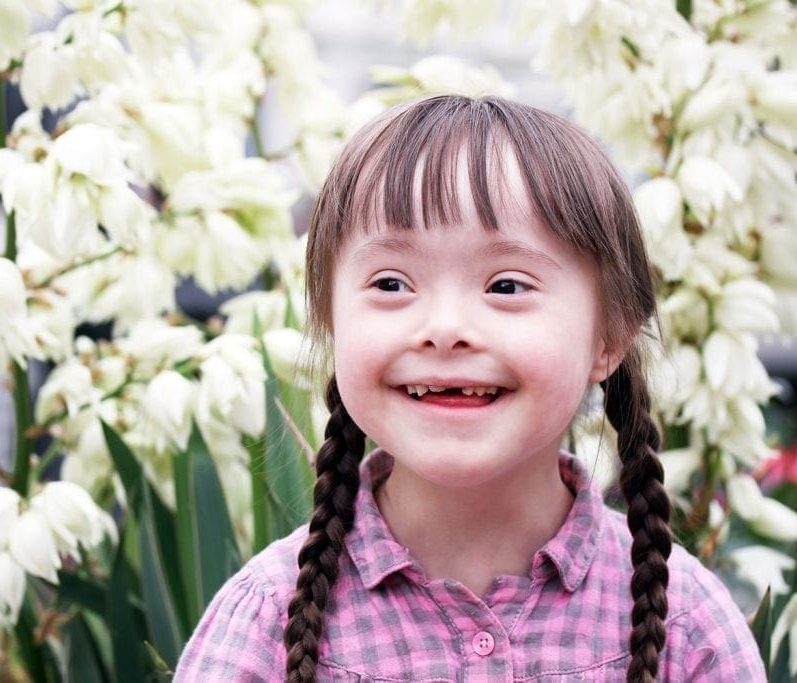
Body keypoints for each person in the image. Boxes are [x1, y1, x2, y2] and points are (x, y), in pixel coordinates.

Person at [174, 95, 766, 682]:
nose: (446, 330)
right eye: (391, 282)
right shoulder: (261, 623)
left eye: (507, 285)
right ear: (331, 323)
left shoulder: (688, 629)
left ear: (608, 337)